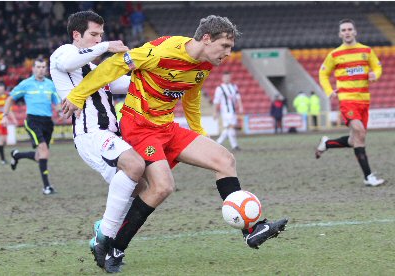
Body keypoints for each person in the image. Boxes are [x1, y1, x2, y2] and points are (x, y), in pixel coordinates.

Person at [63, 15, 288, 273]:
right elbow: (113, 65)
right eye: (225, 46)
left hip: (167, 128)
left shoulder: (204, 63)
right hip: (139, 127)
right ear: (206, 38)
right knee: (162, 187)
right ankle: (115, 245)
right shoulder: (160, 52)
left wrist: (198, 133)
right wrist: (77, 96)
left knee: (224, 160)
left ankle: (251, 230)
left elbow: (192, 94)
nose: (228, 53)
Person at [49, 10, 146, 267]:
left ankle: (102, 230)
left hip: (109, 133)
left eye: (101, 34)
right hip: (90, 133)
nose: (98, 39)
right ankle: (105, 237)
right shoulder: (62, 53)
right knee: (135, 166)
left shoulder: (94, 68)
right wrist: (107, 46)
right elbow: (68, 63)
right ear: (76, 34)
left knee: (140, 188)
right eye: (93, 34)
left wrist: (143, 70)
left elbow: (122, 84)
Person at [316, 19, 384, 187]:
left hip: (364, 101)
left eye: (349, 29)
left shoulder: (366, 51)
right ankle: (368, 177)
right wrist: (329, 91)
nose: (347, 32)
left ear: (355, 31)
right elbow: (323, 74)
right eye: (343, 30)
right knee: (360, 132)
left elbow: (378, 67)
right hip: (347, 101)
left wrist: (376, 74)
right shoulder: (334, 55)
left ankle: (327, 143)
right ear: (340, 34)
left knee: (356, 140)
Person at [1, 58, 61, 195]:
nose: (41, 69)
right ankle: (47, 187)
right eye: (38, 67)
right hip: (33, 121)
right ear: (33, 69)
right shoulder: (26, 84)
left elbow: (57, 104)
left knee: (41, 156)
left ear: (46, 69)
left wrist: (61, 111)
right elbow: (10, 98)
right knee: (44, 151)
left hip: (47, 123)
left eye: (43, 67)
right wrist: (4, 115)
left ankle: (17, 155)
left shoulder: (51, 85)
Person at [213, 71, 243, 151]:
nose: (227, 78)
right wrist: (215, 112)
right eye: (225, 77)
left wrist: (240, 107)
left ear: (230, 77)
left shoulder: (234, 86)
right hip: (226, 112)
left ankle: (218, 144)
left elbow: (238, 97)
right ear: (222, 78)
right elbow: (216, 101)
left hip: (233, 111)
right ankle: (231, 145)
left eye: (228, 77)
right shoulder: (220, 88)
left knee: (229, 129)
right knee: (231, 127)